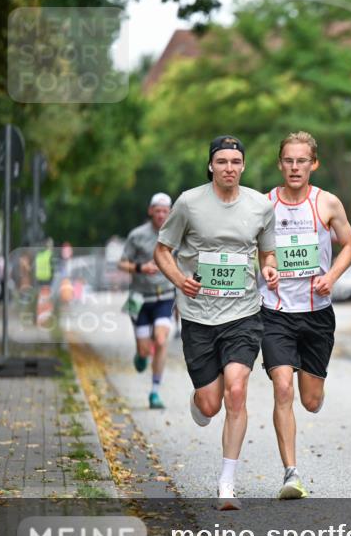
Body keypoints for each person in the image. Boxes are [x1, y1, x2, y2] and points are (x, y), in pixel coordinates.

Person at [154, 135, 278, 510]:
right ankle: (199, 401)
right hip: (199, 315)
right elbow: (162, 251)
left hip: (243, 314)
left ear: (243, 166)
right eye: (222, 161)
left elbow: (267, 254)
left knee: (236, 391)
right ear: (211, 165)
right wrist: (180, 280)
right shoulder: (189, 203)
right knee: (210, 405)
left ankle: (227, 483)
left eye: (235, 162)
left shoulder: (260, 206)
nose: (229, 168)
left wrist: (269, 270)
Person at [258, 131, 351, 499]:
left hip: (317, 314)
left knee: (310, 401)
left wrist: (331, 277)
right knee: (282, 387)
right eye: (289, 160)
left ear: (314, 164)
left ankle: (312, 382)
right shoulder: (265, 204)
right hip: (276, 311)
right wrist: (267, 266)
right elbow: (259, 249)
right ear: (280, 164)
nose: (295, 167)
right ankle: (291, 474)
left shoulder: (327, 203)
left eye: (302, 161)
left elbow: (350, 245)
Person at [119, 193, 176, 409]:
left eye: (165, 211)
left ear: (170, 212)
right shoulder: (137, 235)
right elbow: (122, 263)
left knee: (161, 340)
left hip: (164, 297)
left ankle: (154, 392)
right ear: (150, 211)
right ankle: (142, 355)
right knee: (144, 351)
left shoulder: (175, 234)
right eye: (157, 210)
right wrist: (140, 268)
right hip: (140, 299)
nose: (161, 215)